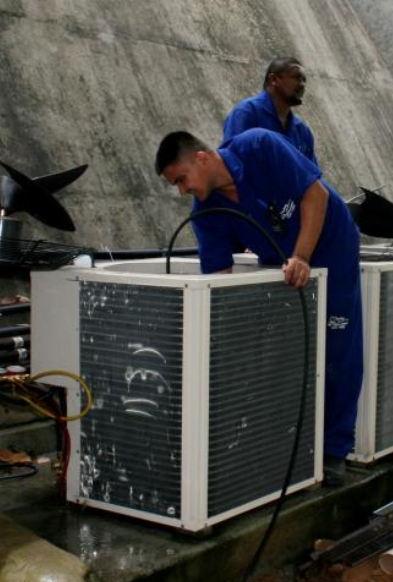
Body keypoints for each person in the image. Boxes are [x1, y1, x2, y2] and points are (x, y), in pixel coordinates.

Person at [154, 129, 362, 486]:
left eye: (181, 179)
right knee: (288, 349)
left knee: (337, 346)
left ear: (201, 158)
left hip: (330, 243)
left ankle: (334, 449)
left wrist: (302, 255)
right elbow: (218, 277)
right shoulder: (206, 213)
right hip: (282, 261)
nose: (182, 190)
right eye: (176, 185)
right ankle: (290, 444)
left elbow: (316, 193)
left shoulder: (260, 146)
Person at [223, 57, 317, 164]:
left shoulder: (302, 131)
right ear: (273, 80)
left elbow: (313, 175)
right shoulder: (247, 112)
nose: (302, 85)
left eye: (304, 80)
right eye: (296, 78)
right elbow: (231, 162)